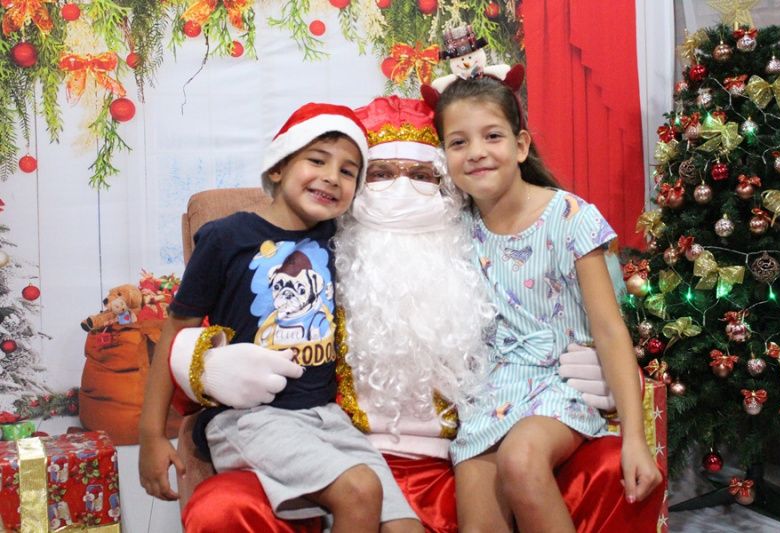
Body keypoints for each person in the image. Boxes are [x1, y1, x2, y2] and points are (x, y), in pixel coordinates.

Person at [168, 96, 649, 532]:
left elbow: (571, 309)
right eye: (381, 174)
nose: (402, 188)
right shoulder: (319, 246)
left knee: (594, 467)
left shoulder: (467, 236)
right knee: (223, 508)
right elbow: (229, 320)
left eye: (421, 176)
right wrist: (202, 365)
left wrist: (595, 369)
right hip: (338, 451)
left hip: (459, 448)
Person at [138, 102, 423, 533]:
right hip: (250, 420)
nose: (332, 176)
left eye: (348, 171)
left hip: (327, 416)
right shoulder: (226, 237)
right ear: (277, 167)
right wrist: (151, 435)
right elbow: (176, 333)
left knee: (405, 527)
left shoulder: (340, 239)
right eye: (317, 160)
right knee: (359, 489)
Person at [431, 73, 664, 531]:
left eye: (492, 136)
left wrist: (635, 438)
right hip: (489, 393)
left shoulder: (570, 218)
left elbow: (609, 329)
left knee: (520, 458)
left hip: (561, 380)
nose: (475, 151)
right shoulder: (454, 230)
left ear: (521, 146)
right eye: (458, 142)